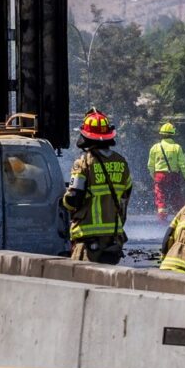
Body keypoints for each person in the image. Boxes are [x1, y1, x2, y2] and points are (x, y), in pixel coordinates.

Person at [61, 108, 133, 265]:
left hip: (87, 239)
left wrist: (62, 201)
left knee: (82, 281)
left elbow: (73, 199)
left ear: (85, 136)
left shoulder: (83, 163)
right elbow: (125, 196)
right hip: (113, 239)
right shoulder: (121, 163)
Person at [148, 121, 185, 222]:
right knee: (176, 196)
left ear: (161, 134)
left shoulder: (155, 147)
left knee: (160, 198)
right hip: (173, 175)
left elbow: (150, 165)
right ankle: (180, 219)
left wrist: (154, 177)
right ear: (173, 134)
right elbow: (182, 164)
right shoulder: (177, 147)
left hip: (159, 175)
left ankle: (162, 220)